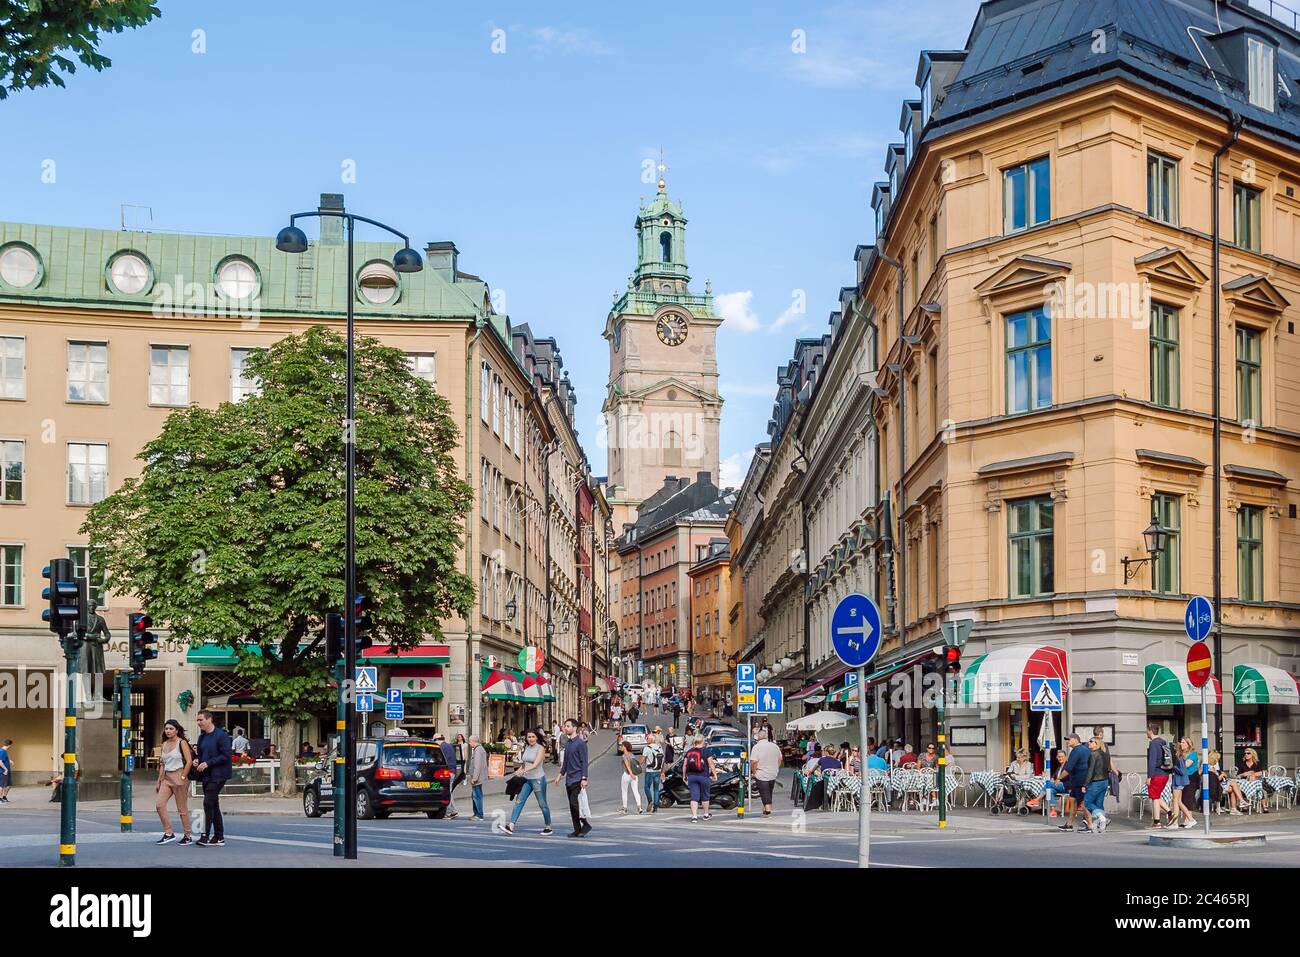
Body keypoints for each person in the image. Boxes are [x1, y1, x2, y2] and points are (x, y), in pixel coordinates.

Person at [499, 729, 553, 835]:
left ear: (537, 737)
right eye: (529, 737)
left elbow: (536, 764)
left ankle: (548, 826)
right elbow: (525, 763)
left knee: (542, 804)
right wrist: (518, 771)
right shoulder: (527, 747)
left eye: (533, 737)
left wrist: (523, 770)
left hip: (538, 779)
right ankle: (511, 826)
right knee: (519, 801)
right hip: (526, 779)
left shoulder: (540, 748)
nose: (531, 739)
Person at [193, 710, 232, 847]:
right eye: (197, 720)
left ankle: (205, 835)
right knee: (214, 804)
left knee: (208, 802)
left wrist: (208, 763)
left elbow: (226, 756)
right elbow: (201, 755)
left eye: (201, 720)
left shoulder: (221, 735)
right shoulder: (202, 737)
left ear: (209, 719)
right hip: (206, 775)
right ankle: (219, 837)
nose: (198, 723)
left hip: (219, 774)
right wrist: (197, 761)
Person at [154, 719, 194, 845]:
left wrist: (182, 777)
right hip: (166, 778)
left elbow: (189, 761)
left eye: (171, 729)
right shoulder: (164, 744)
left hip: (179, 775)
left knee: (182, 808)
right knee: (159, 805)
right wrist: (159, 781)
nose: (168, 731)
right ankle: (168, 833)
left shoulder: (181, 743)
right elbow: (162, 764)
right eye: (166, 729)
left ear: (177, 730)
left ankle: (187, 835)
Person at [554, 718, 590, 837]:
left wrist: (584, 778)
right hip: (569, 779)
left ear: (574, 728)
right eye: (565, 726)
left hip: (578, 778)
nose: (565, 728)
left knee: (575, 803)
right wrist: (560, 775)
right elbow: (565, 762)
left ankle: (585, 824)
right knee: (571, 805)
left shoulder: (580, 743)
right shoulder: (568, 743)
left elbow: (584, 762)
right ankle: (577, 829)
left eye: (568, 726)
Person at [1059, 733, 1092, 832]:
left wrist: (1059, 778)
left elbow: (1068, 768)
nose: (1068, 741)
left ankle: (1090, 825)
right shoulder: (1086, 749)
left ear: (1075, 739)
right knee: (1073, 802)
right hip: (1078, 781)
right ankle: (1069, 824)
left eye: (1069, 739)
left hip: (1080, 781)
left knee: (1083, 803)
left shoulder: (1076, 751)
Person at [682, 734, 717, 822]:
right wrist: (714, 774)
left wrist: (684, 776)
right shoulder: (706, 751)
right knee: (705, 796)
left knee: (694, 797)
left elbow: (685, 765)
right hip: (704, 776)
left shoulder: (689, 751)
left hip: (692, 777)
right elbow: (711, 764)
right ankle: (705, 815)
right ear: (702, 741)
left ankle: (694, 816)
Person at [1146, 723, 1174, 829]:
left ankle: (1156, 822)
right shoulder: (1164, 742)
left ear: (1151, 731)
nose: (1146, 733)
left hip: (1157, 774)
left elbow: (1152, 761)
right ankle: (1170, 813)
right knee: (1156, 796)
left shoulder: (1153, 743)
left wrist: (1149, 776)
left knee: (1155, 798)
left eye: (1147, 731)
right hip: (1165, 773)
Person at [1082, 736, 1110, 833]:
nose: (1088, 743)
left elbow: (1090, 771)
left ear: (1096, 744)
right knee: (1099, 804)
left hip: (1096, 782)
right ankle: (1102, 826)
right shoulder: (1105, 754)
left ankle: (1102, 819)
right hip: (1105, 781)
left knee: (1086, 802)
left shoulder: (1093, 754)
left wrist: (1085, 785)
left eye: (1091, 741)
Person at [751, 728, 782, 816]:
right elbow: (780, 758)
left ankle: (768, 810)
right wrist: (777, 767)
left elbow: (754, 761)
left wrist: (754, 772)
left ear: (758, 738)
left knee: (764, 791)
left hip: (761, 772)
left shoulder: (756, 747)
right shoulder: (774, 746)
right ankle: (765, 808)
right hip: (773, 772)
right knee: (769, 790)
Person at [1226, 748, 1265, 815]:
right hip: (1244, 783)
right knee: (1237, 788)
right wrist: (1244, 774)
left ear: (1252, 754)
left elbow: (1261, 772)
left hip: (1255, 782)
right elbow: (1238, 776)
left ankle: (1264, 806)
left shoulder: (1257, 763)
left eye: (1248, 753)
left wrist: (1253, 774)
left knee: (1260, 788)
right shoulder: (1242, 764)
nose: (1246, 755)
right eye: (1245, 753)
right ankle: (1241, 806)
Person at [1175, 737, 1200, 828]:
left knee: (1188, 797)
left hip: (1191, 777)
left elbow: (1186, 765)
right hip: (1182, 777)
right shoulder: (1180, 755)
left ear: (1189, 744)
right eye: (1181, 742)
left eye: (1184, 742)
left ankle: (1189, 819)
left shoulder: (1192, 754)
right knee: (1183, 798)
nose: (1182, 744)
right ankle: (1187, 819)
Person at [435, 734, 460, 819]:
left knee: (447, 793)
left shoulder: (442, 748)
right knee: (449, 792)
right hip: (452, 771)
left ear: (437, 740)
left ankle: (451, 811)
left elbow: (440, 760)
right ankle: (452, 811)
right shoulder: (449, 746)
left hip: (448, 772)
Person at [618, 740, 644, 814]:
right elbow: (635, 764)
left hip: (627, 775)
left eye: (622, 746)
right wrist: (633, 774)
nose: (621, 747)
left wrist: (631, 773)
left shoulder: (624, 756)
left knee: (624, 791)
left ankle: (625, 808)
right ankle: (639, 807)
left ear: (625, 747)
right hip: (635, 775)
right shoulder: (632, 755)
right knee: (636, 791)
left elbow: (627, 765)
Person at [467, 734, 488, 821]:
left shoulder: (478, 750)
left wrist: (474, 778)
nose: (469, 743)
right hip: (478, 777)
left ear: (473, 741)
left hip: (477, 778)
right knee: (475, 795)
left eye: (469, 741)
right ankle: (476, 813)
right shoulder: (478, 749)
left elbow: (477, 765)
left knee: (477, 796)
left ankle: (479, 815)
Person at [642, 732, 664, 813]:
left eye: (647, 738)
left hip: (649, 771)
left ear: (651, 739)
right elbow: (662, 760)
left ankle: (650, 800)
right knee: (656, 789)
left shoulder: (647, 748)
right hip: (658, 770)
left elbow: (642, 760)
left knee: (646, 787)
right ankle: (655, 807)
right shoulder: (660, 748)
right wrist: (662, 771)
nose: (646, 739)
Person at [0, 739, 11, 804]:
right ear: (9, 745)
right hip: (3, 771)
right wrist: (5, 769)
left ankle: (4, 797)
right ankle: (0, 799)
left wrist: (9, 761)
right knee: (2, 786)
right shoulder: (2, 751)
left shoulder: (4, 751)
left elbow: (3, 760)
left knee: (8, 785)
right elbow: (0, 761)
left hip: (6, 771)